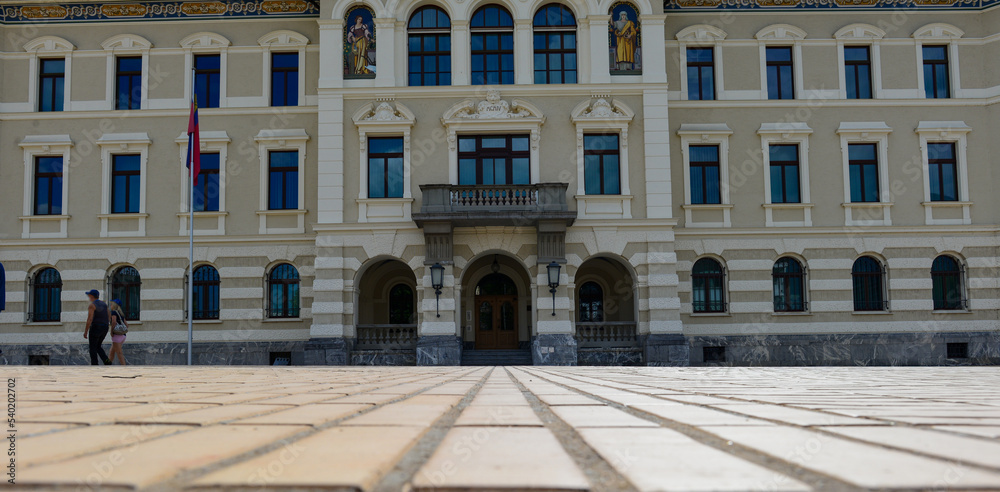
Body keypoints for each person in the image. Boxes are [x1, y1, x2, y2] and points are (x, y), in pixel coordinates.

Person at [83, 290, 111, 365]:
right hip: (105, 327)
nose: (88, 297)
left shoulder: (92, 305)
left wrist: (86, 331)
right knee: (98, 346)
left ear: (91, 296)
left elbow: (90, 319)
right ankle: (106, 361)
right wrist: (106, 324)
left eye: (89, 295)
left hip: (96, 327)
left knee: (92, 347)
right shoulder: (104, 304)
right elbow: (109, 315)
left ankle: (94, 364)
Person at [107, 299, 128, 366]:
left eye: (111, 304)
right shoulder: (121, 313)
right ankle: (107, 365)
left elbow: (113, 322)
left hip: (117, 336)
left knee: (119, 353)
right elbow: (126, 325)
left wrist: (111, 332)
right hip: (123, 336)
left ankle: (124, 367)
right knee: (112, 352)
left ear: (114, 305)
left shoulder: (114, 313)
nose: (110, 306)